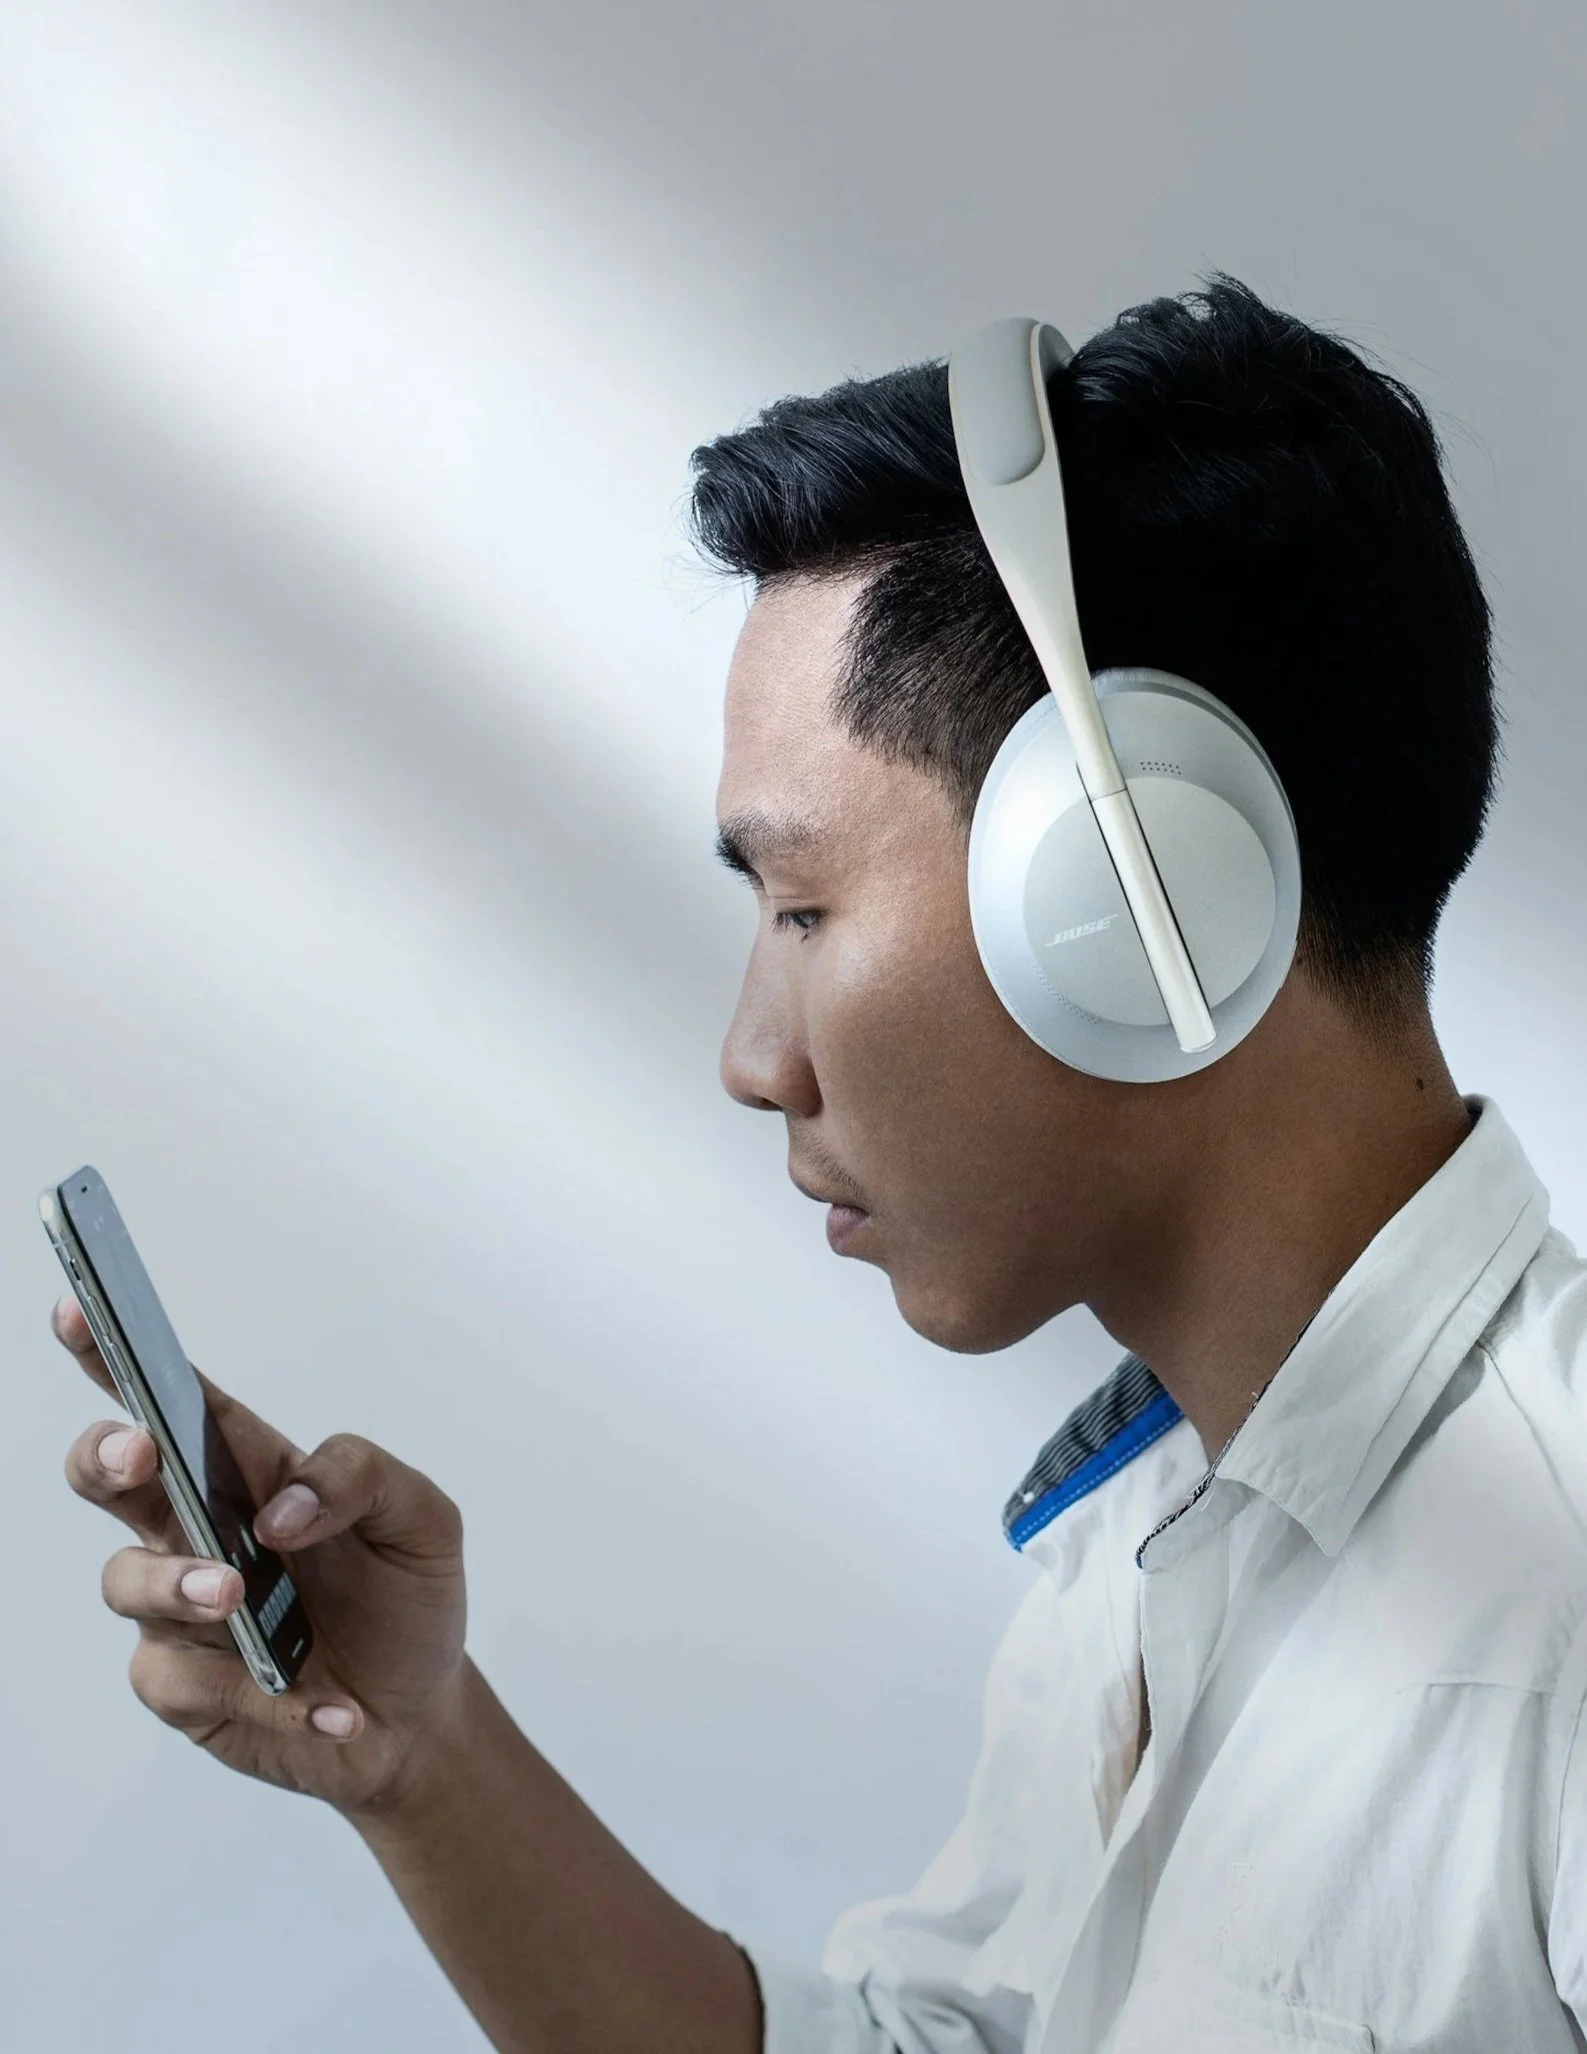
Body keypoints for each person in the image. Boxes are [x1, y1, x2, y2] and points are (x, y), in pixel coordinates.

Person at [55, 277, 1587, 2051]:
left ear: (1141, 890)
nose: (749, 1057)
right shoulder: (1156, 1539)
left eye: (800, 906)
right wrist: (425, 1758)